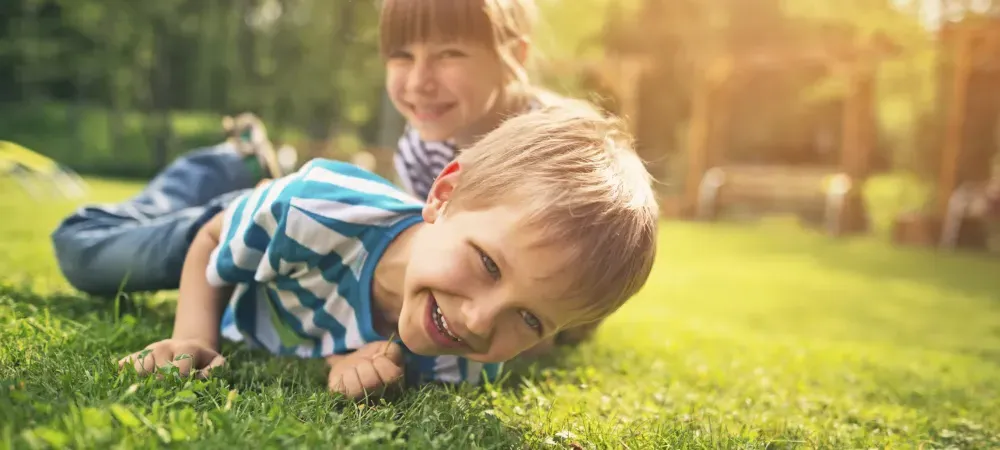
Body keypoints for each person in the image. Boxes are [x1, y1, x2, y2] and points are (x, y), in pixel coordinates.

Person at [117, 102, 659, 400]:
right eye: (488, 264)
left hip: (280, 254)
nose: (476, 320)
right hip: (250, 216)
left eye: (530, 319)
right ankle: (232, 160)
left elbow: (331, 330)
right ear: (444, 195)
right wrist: (192, 337)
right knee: (86, 255)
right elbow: (213, 241)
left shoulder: (464, 366)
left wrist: (350, 364)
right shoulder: (314, 211)